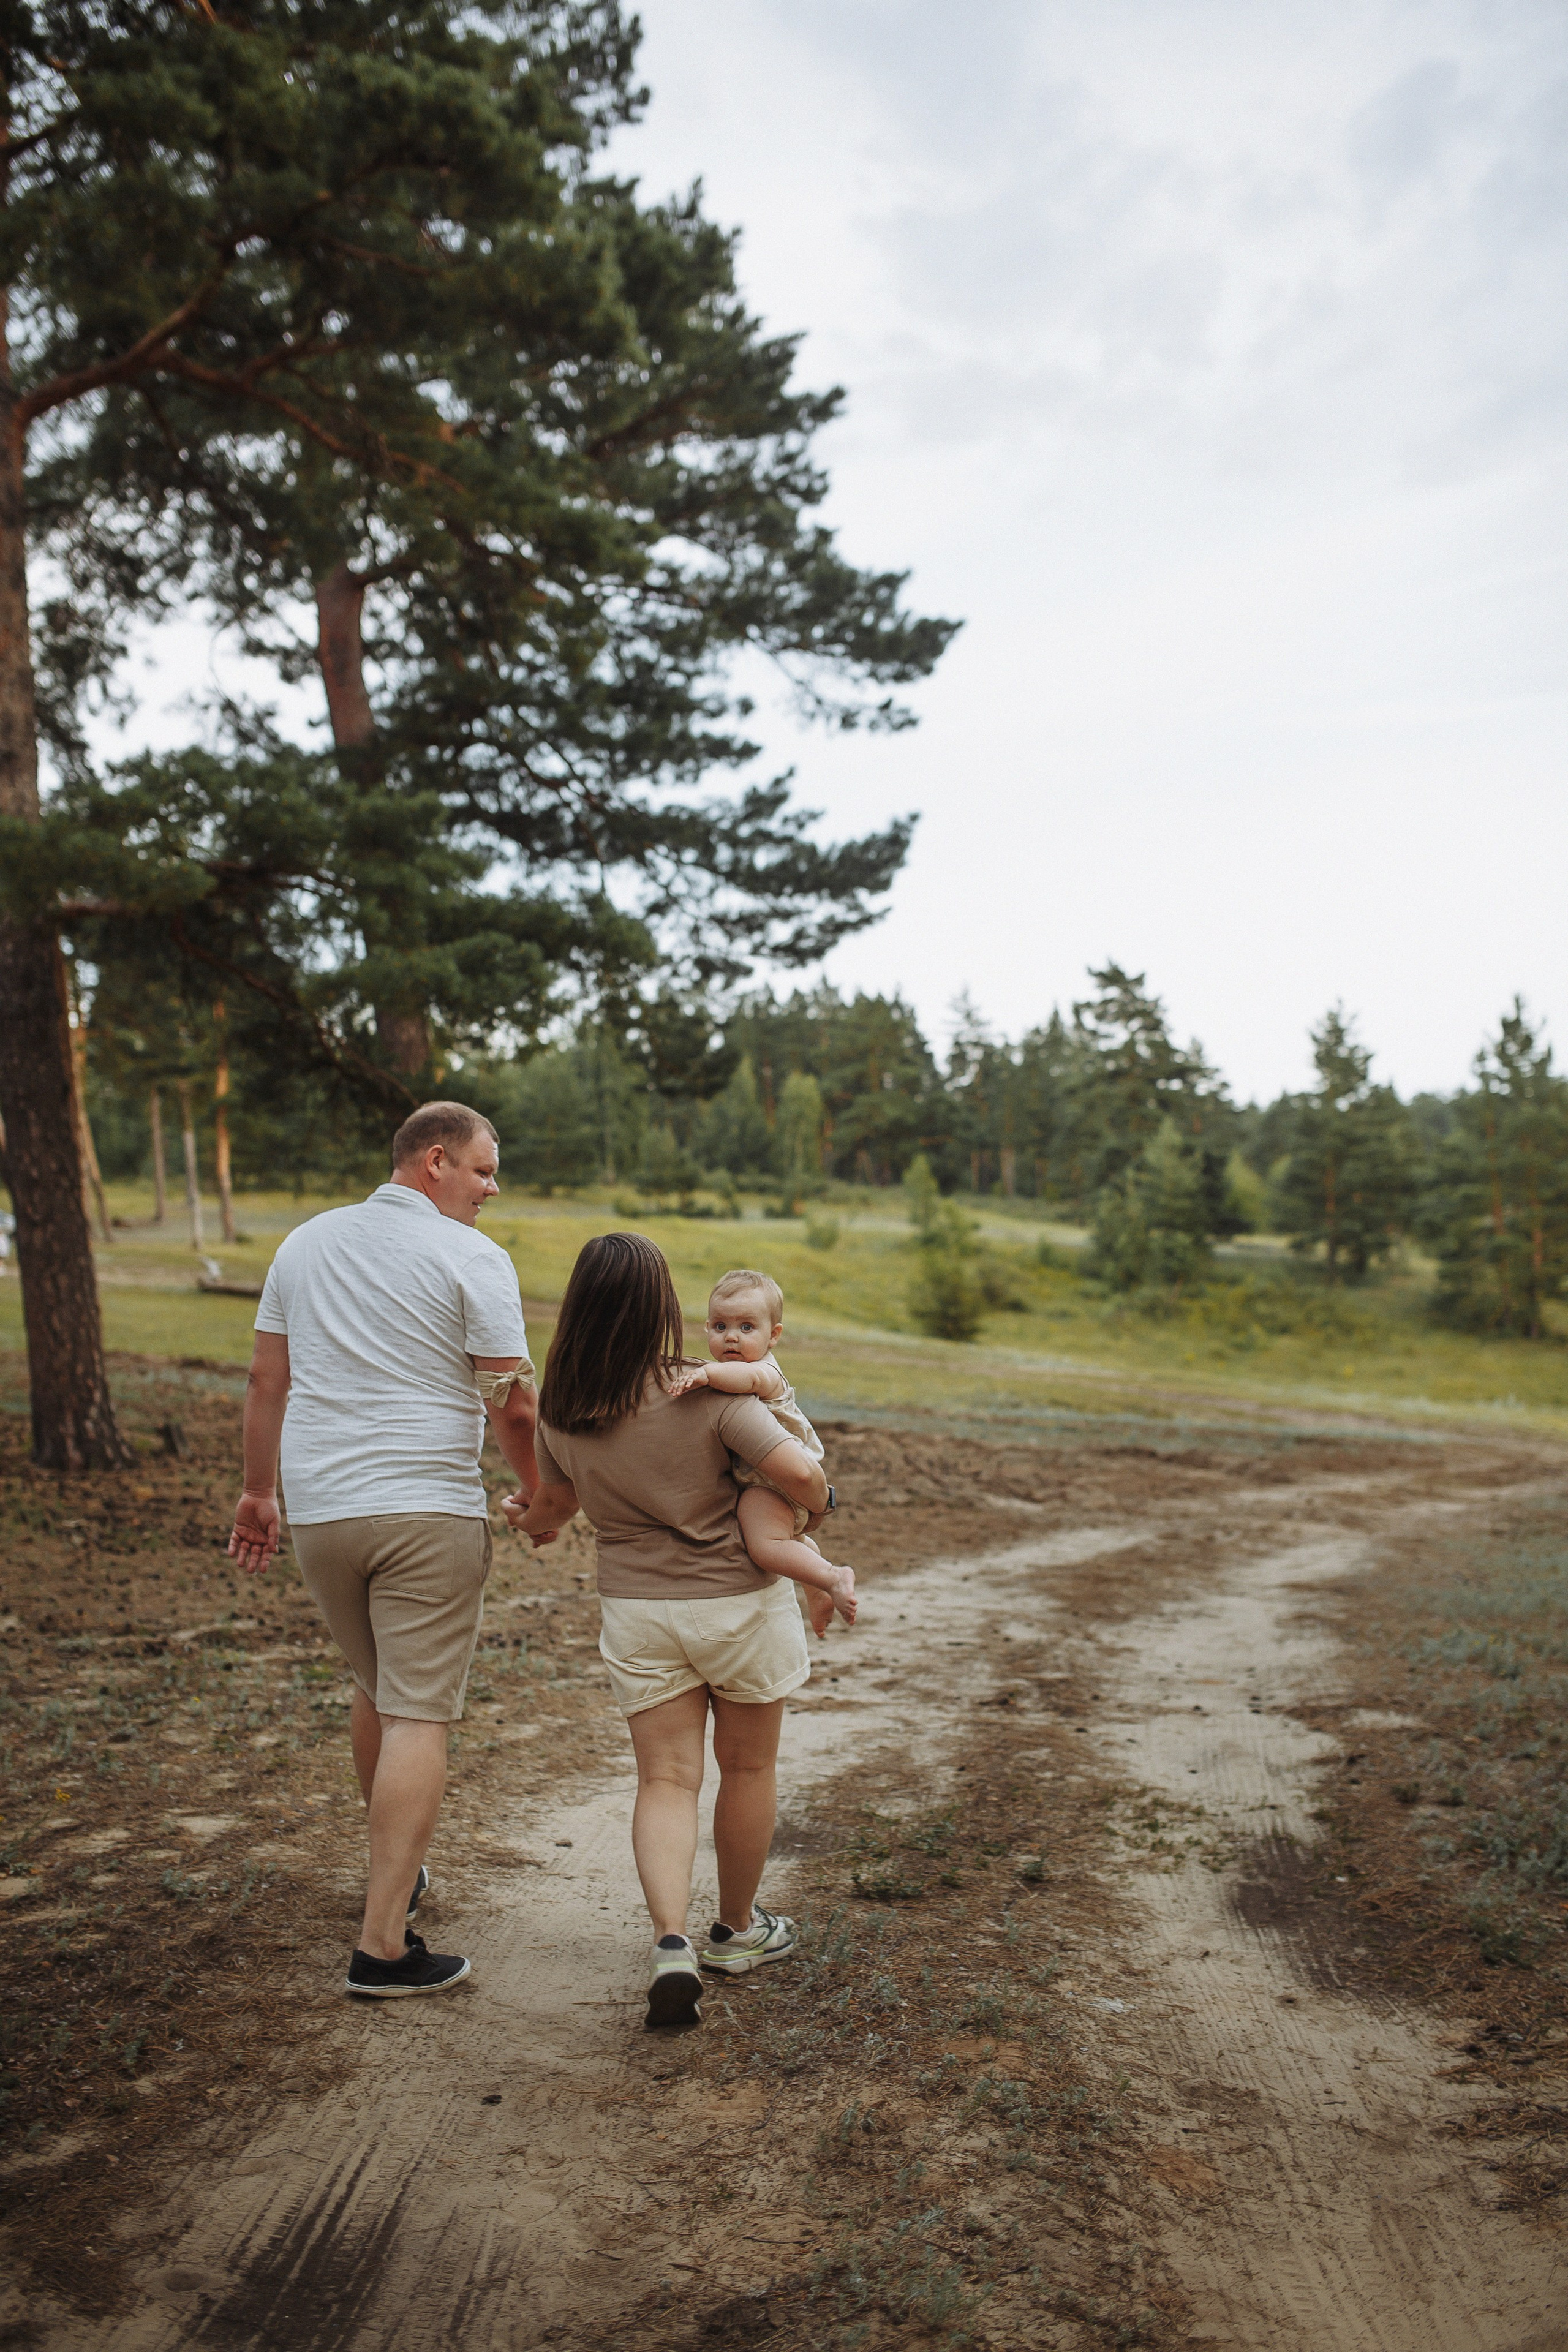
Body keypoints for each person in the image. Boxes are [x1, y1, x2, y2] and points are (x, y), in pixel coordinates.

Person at [227, 1101, 539, 1999]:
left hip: (323, 1516)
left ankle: (396, 1876)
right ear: (435, 1161)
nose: (491, 1189)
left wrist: (259, 1493)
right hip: (424, 1512)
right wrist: (544, 1492)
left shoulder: (304, 1244)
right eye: (483, 1170)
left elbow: (266, 1379)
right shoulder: (472, 1256)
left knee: (379, 1687)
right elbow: (513, 1402)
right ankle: (383, 1948)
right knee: (417, 1715)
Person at [506, 1232, 829, 2029]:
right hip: (736, 1606)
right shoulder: (703, 1391)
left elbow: (554, 1505)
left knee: (665, 1781)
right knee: (746, 1768)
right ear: (660, 1307)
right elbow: (797, 1474)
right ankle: (736, 1932)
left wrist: (525, 1517)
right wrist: (819, 1502)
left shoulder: (565, 1406)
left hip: (639, 1613)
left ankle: (671, 1940)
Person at [668, 1268, 856, 1635]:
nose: (732, 1337)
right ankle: (816, 1587)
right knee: (787, 1538)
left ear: (774, 1336)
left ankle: (832, 1577)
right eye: (720, 1326)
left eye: (746, 1327)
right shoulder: (735, 1367)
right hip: (765, 1477)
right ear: (707, 1328)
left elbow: (748, 1380)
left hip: (775, 1480)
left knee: (765, 1546)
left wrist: (706, 1374)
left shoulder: (765, 1371)